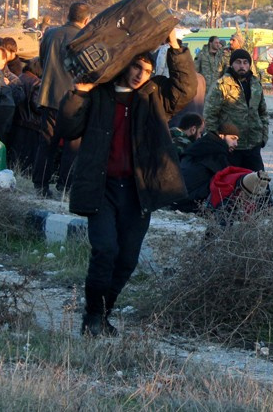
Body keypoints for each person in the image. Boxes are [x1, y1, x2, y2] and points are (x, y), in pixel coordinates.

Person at [56, 29, 196, 336]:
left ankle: (103, 314)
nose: (140, 75)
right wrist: (78, 92)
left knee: (127, 258)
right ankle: (92, 316)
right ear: (124, 64)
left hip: (138, 191)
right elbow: (67, 128)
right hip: (101, 187)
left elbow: (186, 89)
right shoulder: (99, 93)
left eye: (147, 70)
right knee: (105, 250)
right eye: (136, 67)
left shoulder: (154, 95)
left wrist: (175, 47)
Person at [33, 1, 91, 197]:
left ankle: (40, 185)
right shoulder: (85, 37)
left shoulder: (50, 33)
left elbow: (41, 61)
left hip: (49, 95)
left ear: (68, 15)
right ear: (86, 19)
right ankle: (65, 187)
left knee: (47, 142)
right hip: (73, 100)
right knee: (72, 145)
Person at [205, 49, 269, 171]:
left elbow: (263, 112)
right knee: (231, 183)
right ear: (232, 64)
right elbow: (210, 115)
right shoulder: (221, 85)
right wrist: (217, 141)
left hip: (253, 144)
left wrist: (263, 136)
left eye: (245, 63)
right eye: (238, 62)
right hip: (232, 147)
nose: (242, 66)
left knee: (260, 184)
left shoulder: (255, 84)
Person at [172, 122, 239, 213]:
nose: (236, 144)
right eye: (233, 138)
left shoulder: (200, 145)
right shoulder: (217, 153)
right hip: (187, 203)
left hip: (174, 196)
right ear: (221, 136)